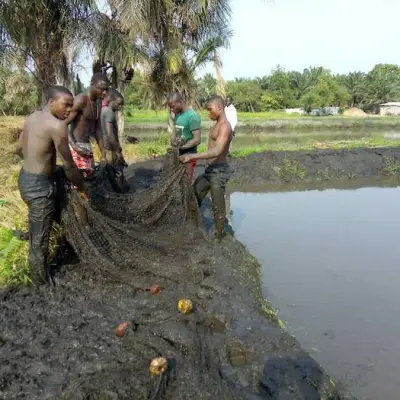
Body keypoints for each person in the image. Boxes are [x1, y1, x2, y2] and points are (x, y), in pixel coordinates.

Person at [18, 86, 88, 285]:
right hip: (38, 188)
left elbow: (19, 147)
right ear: (51, 102)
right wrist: (83, 187)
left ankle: (69, 247)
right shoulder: (57, 127)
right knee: (39, 241)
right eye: (66, 105)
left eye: (71, 105)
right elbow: (69, 165)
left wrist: (42, 163)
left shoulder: (32, 118)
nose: (69, 110)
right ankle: (40, 284)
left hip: (25, 178)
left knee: (59, 215)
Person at [179, 95, 232, 241]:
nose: (209, 113)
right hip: (210, 171)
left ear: (219, 108)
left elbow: (217, 151)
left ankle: (218, 237)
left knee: (218, 207)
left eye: (210, 110)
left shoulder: (225, 127)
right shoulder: (215, 126)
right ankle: (193, 224)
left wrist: (192, 156)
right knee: (194, 194)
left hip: (219, 171)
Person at [65, 72, 110, 178]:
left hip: (86, 147)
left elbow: (98, 130)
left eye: (106, 90)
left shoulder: (98, 103)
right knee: (78, 182)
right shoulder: (81, 100)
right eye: (102, 89)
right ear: (93, 85)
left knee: (90, 178)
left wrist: (103, 154)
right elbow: (63, 124)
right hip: (74, 146)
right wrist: (75, 147)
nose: (104, 93)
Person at [167, 92, 201, 184]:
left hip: (189, 154)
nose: (172, 109)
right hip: (179, 152)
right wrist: (173, 141)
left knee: (186, 181)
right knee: (177, 180)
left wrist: (181, 147)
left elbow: (197, 140)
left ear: (180, 102)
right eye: (170, 107)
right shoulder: (178, 115)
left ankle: (189, 198)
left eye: (173, 106)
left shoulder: (193, 117)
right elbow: (177, 131)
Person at [101, 89, 128, 183]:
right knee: (117, 171)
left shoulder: (104, 110)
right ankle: (121, 193)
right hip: (111, 148)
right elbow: (109, 134)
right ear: (111, 100)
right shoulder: (109, 112)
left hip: (106, 148)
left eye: (121, 105)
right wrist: (117, 149)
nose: (120, 107)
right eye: (118, 104)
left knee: (110, 171)